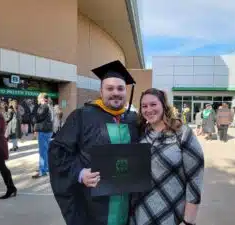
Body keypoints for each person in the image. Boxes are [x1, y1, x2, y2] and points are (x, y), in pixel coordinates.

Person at [48, 60, 139, 225]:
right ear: (101, 91)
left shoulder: (133, 119)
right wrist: (80, 173)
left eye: (120, 88)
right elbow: (57, 151)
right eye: (109, 88)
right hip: (94, 204)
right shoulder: (82, 116)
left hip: (127, 202)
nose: (115, 93)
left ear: (126, 91)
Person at [130, 88, 204, 225]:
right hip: (140, 211)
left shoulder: (182, 133)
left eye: (153, 104)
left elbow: (195, 178)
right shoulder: (142, 133)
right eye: (144, 106)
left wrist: (189, 221)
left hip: (170, 211)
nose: (148, 109)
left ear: (163, 105)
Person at [32, 93, 54, 179]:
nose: (37, 100)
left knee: (42, 152)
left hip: (44, 131)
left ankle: (42, 171)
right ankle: (46, 168)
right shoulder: (49, 106)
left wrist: (33, 116)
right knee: (46, 150)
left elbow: (37, 117)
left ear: (42, 99)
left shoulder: (44, 106)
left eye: (38, 98)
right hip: (48, 131)